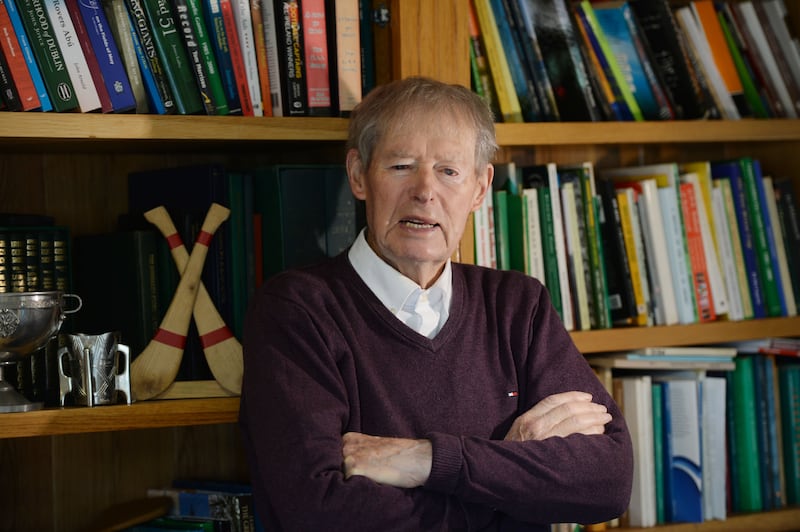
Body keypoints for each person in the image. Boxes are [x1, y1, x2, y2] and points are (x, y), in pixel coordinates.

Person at [239, 76, 633, 531]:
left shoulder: (518, 306)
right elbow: (319, 511)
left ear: (480, 188)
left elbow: (609, 480)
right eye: (402, 166)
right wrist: (509, 469)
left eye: (449, 171)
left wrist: (426, 460)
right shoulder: (297, 311)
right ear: (358, 175)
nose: (425, 191)